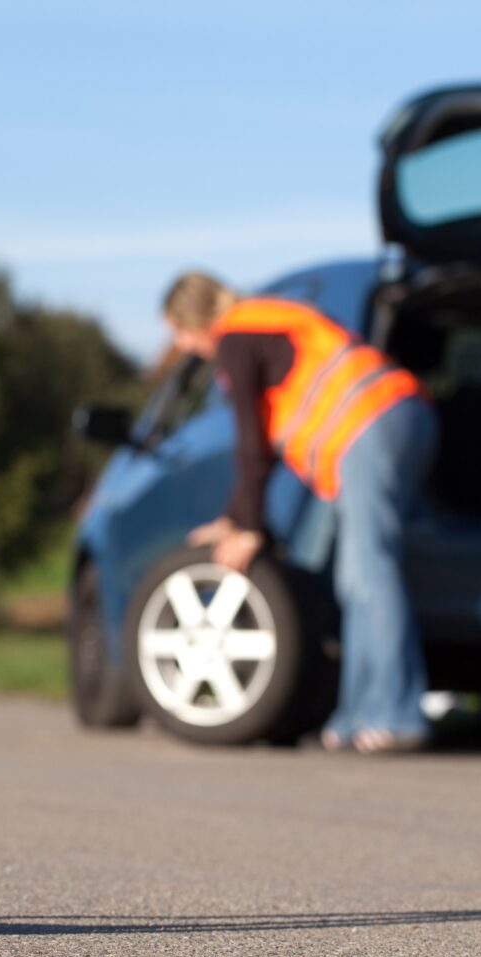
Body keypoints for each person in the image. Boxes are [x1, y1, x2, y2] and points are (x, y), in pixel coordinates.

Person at [161, 271, 438, 753]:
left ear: (192, 318)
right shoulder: (264, 323)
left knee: (370, 569)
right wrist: (236, 519)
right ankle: (356, 718)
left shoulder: (236, 336)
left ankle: (396, 715)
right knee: (356, 575)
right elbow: (263, 445)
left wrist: (247, 527)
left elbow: (250, 443)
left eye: (179, 332)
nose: (183, 346)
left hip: (371, 420)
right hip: (396, 417)